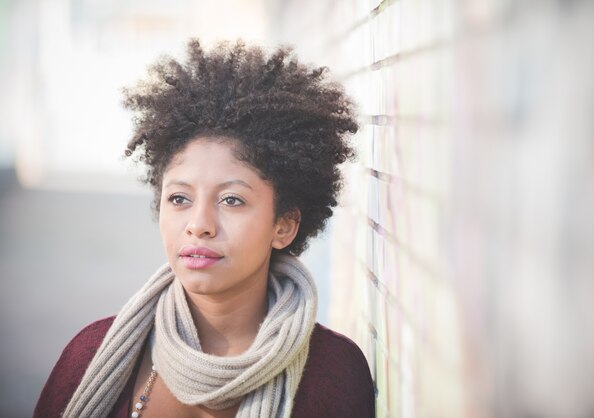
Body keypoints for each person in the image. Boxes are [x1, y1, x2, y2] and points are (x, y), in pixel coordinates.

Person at [33, 39, 375, 418]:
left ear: (284, 225)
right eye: (179, 199)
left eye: (231, 200)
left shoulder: (332, 374)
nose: (199, 226)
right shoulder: (90, 356)